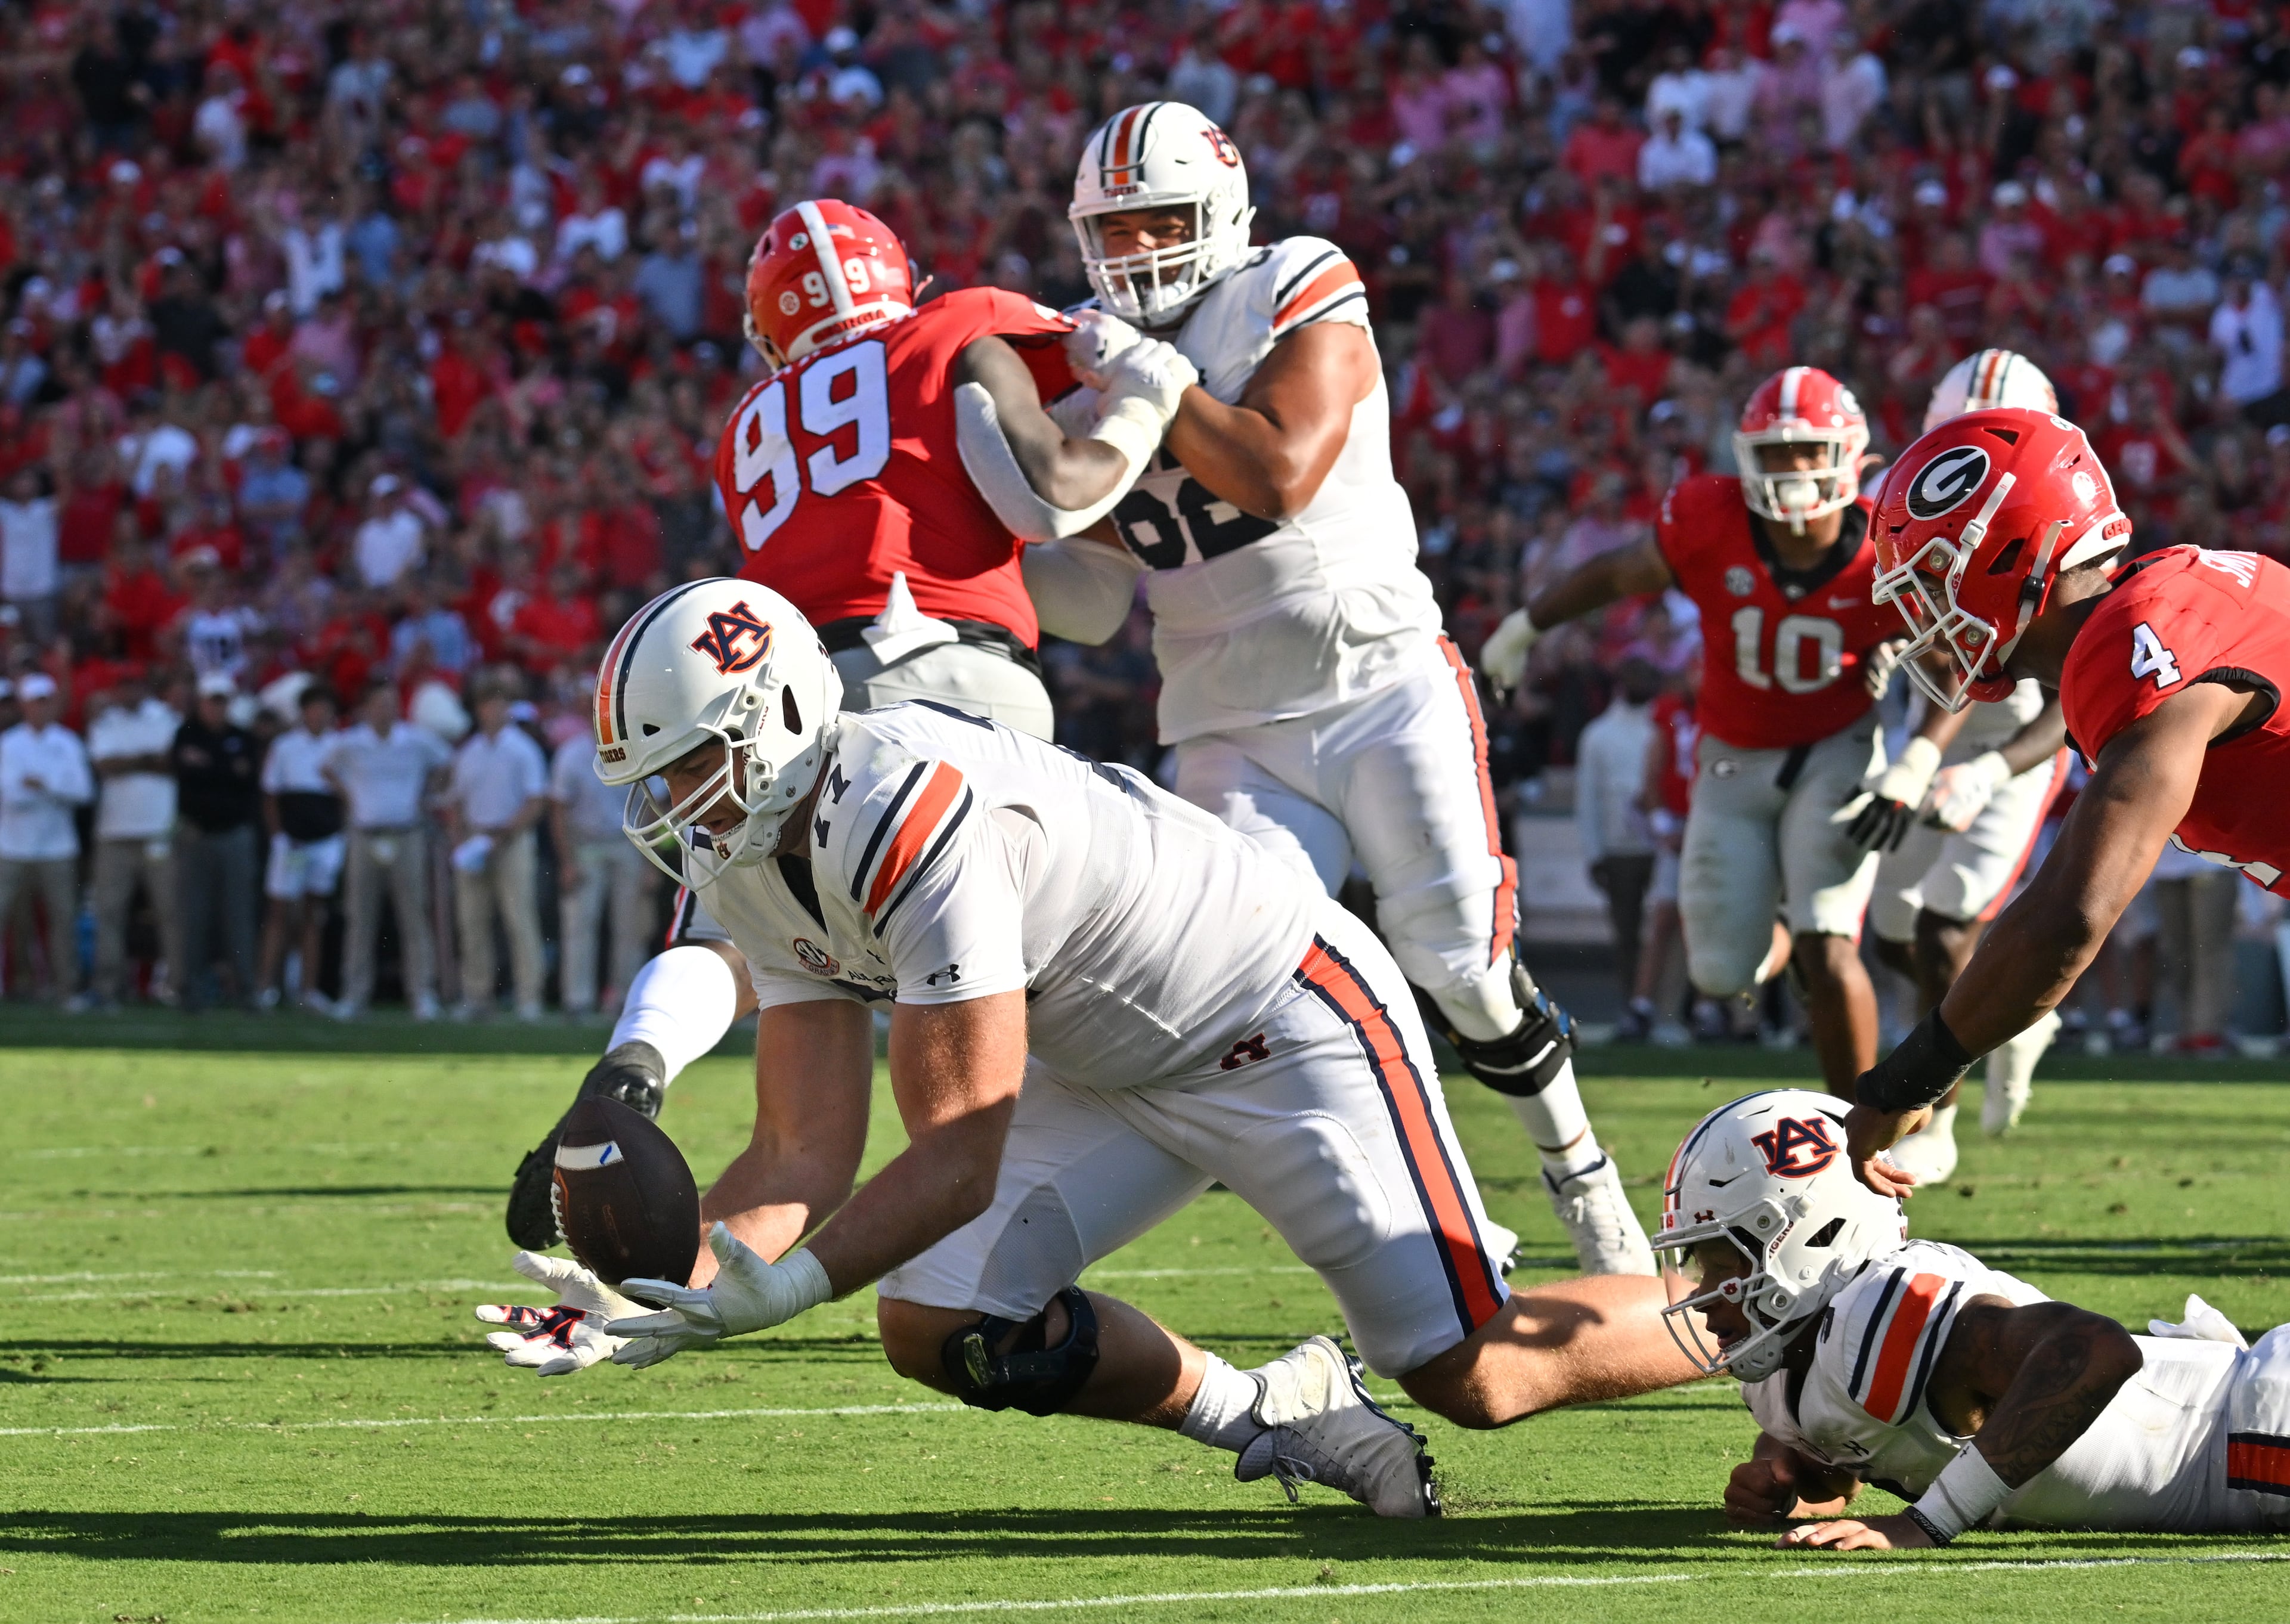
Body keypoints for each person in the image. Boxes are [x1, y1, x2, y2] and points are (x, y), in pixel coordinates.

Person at [478, 581, 1699, 1519]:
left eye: (692, 764)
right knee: (941, 1320)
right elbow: (802, 1149)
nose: (671, 807)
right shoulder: (758, 848)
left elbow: (957, 1153)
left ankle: (1785, 1304)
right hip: (1111, 1057)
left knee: (1475, 1373)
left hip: (1279, 1020)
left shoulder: (909, 808)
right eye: (652, 779)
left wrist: (783, 1296)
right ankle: (1278, 1413)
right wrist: (654, 1289)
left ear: (784, 714)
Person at [504, 196, 1184, 1245]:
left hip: (799, 699)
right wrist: (1138, 405)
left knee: (744, 939)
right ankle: (1032, 1204)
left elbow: (905, 524)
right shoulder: (953, 328)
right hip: (969, 689)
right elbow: (1060, 524)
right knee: (1010, 963)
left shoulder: (751, 427)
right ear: (897, 280)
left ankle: (639, 1055)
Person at [1052, 102, 1652, 1273]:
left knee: (1464, 971)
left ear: (1222, 212)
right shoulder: (1097, 371)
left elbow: (1277, 473)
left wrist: (1157, 389)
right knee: (1249, 980)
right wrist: (1010, 515)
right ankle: (1433, 1215)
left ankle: (1582, 1179)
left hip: (1379, 684)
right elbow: (1087, 601)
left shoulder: (1289, 282)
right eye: (1115, 232)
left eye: (1162, 222)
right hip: (1227, 721)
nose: (1139, 254)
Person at [1482, 368, 1963, 1098]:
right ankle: (1785, 934)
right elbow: (1620, 574)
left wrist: (1915, 763)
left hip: (1834, 752)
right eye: (1776, 453)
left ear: (1852, 455)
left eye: (1808, 451)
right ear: (1745, 457)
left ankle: (1861, 1132)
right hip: (1732, 761)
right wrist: (1525, 627)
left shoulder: (1886, 552)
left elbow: (1958, 666)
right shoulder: (1710, 521)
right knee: (1718, 974)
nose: (1793, 470)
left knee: (1830, 942)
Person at [1845, 408, 2290, 1196]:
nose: (1925, 615)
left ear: (2010, 554)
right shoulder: (2169, 595)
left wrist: (1904, 1081)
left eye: (1933, 580)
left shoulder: (2137, 642)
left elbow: (2069, 917)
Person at [1661, 1089, 2290, 1546]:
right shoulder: (1786, 1362)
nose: (1704, 1293)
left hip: (2255, 1434)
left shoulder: (1883, 1314)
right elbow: (1837, 1449)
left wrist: (1926, 1522)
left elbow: (2097, 1351)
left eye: (1721, 1263)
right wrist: (1786, 1477)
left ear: (1805, 1239)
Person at [1866, 351, 2072, 1177]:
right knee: (1889, 927)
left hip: (2011, 740)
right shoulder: (1910, 505)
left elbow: (2077, 685)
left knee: (1946, 921)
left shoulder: (2062, 522)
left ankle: (1936, 1113)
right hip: (1928, 720)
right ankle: (2017, 1018)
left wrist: (1981, 771)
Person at [326, 682, 451, 1020]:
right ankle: (354, 994)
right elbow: (326, 769)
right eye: (380, 704)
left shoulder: (415, 740)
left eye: (392, 704)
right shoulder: (351, 743)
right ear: (367, 708)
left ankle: (422, 994)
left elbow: (446, 763)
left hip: (406, 834)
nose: (387, 710)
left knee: (414, 916)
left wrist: (427, 794)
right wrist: (350, 797)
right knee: (360, 917)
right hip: (365, 836)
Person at [446, 682, 549, 1021]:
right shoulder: (469, 752)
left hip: (512, 839)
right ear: (478, 711)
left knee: (520, 921)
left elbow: (536, 801)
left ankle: (528, 997)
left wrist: (505, 833)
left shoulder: (523, 749)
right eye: (487, 705)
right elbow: (457, 803)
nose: (492, 712)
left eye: (498, 705)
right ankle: (477, 996)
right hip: (477, 840)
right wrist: (461, 841)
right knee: (472, 922)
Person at [85, 667, 181, 1007]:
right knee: (110, 912)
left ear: (145, 687)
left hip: (159, 830)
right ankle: (108, 987)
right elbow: (103, 764)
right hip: (114, 832)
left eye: (134, 685)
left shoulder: (166, 718)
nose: (129, 692)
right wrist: (146, 760)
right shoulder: (105, 722)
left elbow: (172, 762)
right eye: (123, 687)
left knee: (170, 911)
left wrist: (129, 762)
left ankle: (175, 987)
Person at [1573, 659, 1660, 1035]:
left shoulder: (1663, 728)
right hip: (1619, 850)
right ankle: (1633, 1008)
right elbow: (1588, 798)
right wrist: (1595, 853)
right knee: (1627, 935)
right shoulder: (1598, 735)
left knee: (1662, 933)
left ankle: (1662, 1007)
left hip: (1662, 847)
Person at [169, 674, 263, 1009]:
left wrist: (210, 766)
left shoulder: (242, 737)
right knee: (193, 917)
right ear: (201, 702)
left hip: (235, 833)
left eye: (222, 701)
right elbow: (188, 775)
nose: (216, 707)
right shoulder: (186, 734)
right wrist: (225, 769)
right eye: (212, 701)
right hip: (196, 833)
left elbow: (247, 779)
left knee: (239, 916)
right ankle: (189, 991)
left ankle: (247, 990)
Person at [0, 672, 91, 1006]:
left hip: (58, 848)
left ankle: (66, 989)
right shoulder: (8, 744)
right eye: (35, 703)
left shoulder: (68, 743)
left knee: (63, 921)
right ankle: (21, 985)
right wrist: (53, 788)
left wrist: (44, 786)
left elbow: (82, 792)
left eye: (45, 702)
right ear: (25, 706)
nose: (40, 709)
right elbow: (10, 795)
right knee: (11, 920)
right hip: (11, 847)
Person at [550, 727, 653, 1018]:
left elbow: (652, 804)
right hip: (586, 845)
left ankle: (624, 998)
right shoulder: (571, 753)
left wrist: (649, 862)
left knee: (630, 927)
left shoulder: (636, 746)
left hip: (629, 842)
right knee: (580, 925)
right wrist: (567, 861)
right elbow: (559, 809)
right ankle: (577, 1000)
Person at [257, 683, 345, 1013]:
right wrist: (279, 836)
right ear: (303, 712)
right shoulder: (285, 747)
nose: (320, 714)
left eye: (326, 708)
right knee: (280, 914)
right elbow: (271, 796)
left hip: (326, 841)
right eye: (314, 708)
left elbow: (347, 794)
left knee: (314, 914)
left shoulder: (340, 747)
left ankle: (307, 989)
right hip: (292, 842)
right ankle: (266, 987)